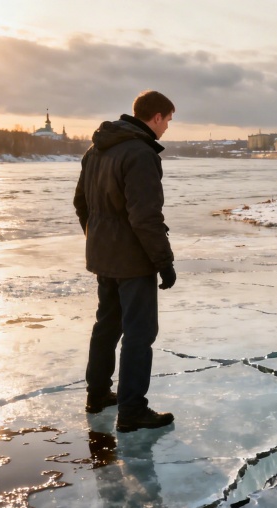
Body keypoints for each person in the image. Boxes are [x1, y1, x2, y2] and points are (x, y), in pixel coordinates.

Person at [73, 89, 176, 433]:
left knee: (107, 325)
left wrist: (98, 239)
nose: (166, 129)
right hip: (133, 260)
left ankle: (98, 393)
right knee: (139, 332)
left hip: (104, 256)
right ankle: (132, 410)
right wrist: (163, 261)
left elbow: (80, 203)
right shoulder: (140, 153)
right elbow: (145, 217)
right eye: (168, 121)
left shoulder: (96, 149)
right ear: (156, 117)